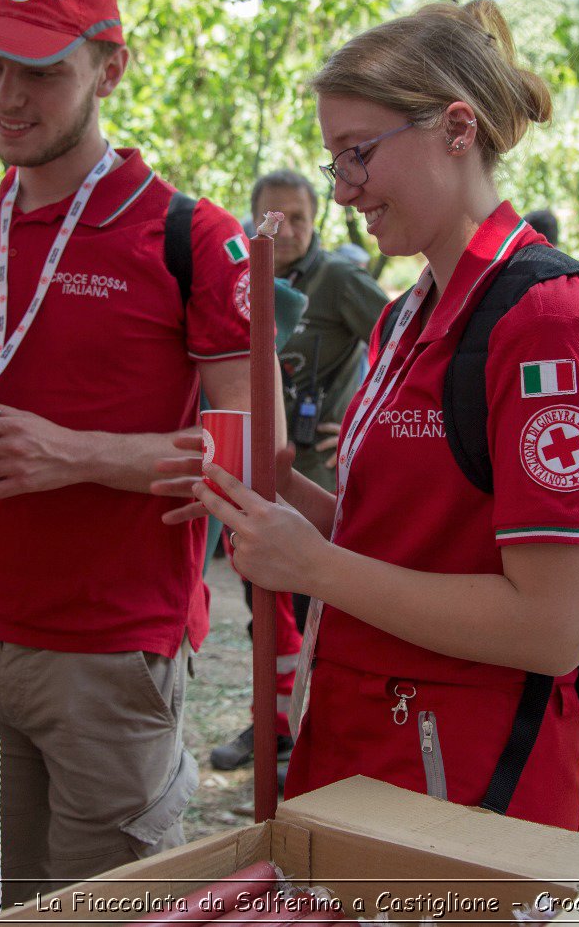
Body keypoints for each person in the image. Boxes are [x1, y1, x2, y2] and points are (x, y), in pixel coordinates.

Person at [163, 0, 579, 830]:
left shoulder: (548, 321)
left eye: (358, 156)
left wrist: (315, 568)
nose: (343, 191)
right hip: (364, 738)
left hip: (464, 777)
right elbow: (407, 538)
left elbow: (555, 626)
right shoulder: (408, 311)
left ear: (457, 128)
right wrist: (278, 499)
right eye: (333, 159)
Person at [0, 0, 257, 895]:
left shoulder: (193, 237)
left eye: (41, 72)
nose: (6, 98)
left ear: (110, 68)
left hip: (113, 650)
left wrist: (80, 453)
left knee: (104, 907)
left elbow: (252, 458)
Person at [209, 169, 386, 774]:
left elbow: (403, 348)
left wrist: (366, 422)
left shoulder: (338, 279)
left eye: (300, 218)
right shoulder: (238, 278)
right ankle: (271, 728)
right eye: (272, 218)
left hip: (314, 486)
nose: (285, 231)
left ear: (316, 222)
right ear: (252, 219)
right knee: (264, 613)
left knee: (319, 620)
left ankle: (319, 743)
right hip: (254, 481)